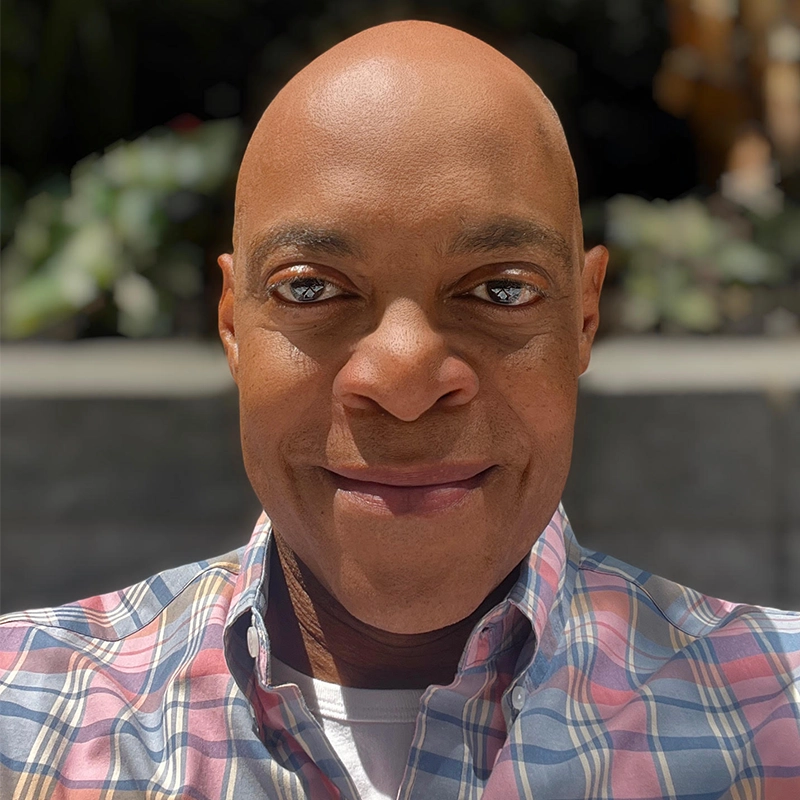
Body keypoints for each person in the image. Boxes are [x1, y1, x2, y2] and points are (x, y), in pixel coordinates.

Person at [1, 20, 798, 800]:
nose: (405, 380)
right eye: (310, 288)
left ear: (583, 319)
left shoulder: (778, 719)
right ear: (235, 325)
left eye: (501, 290)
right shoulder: (27, 721)